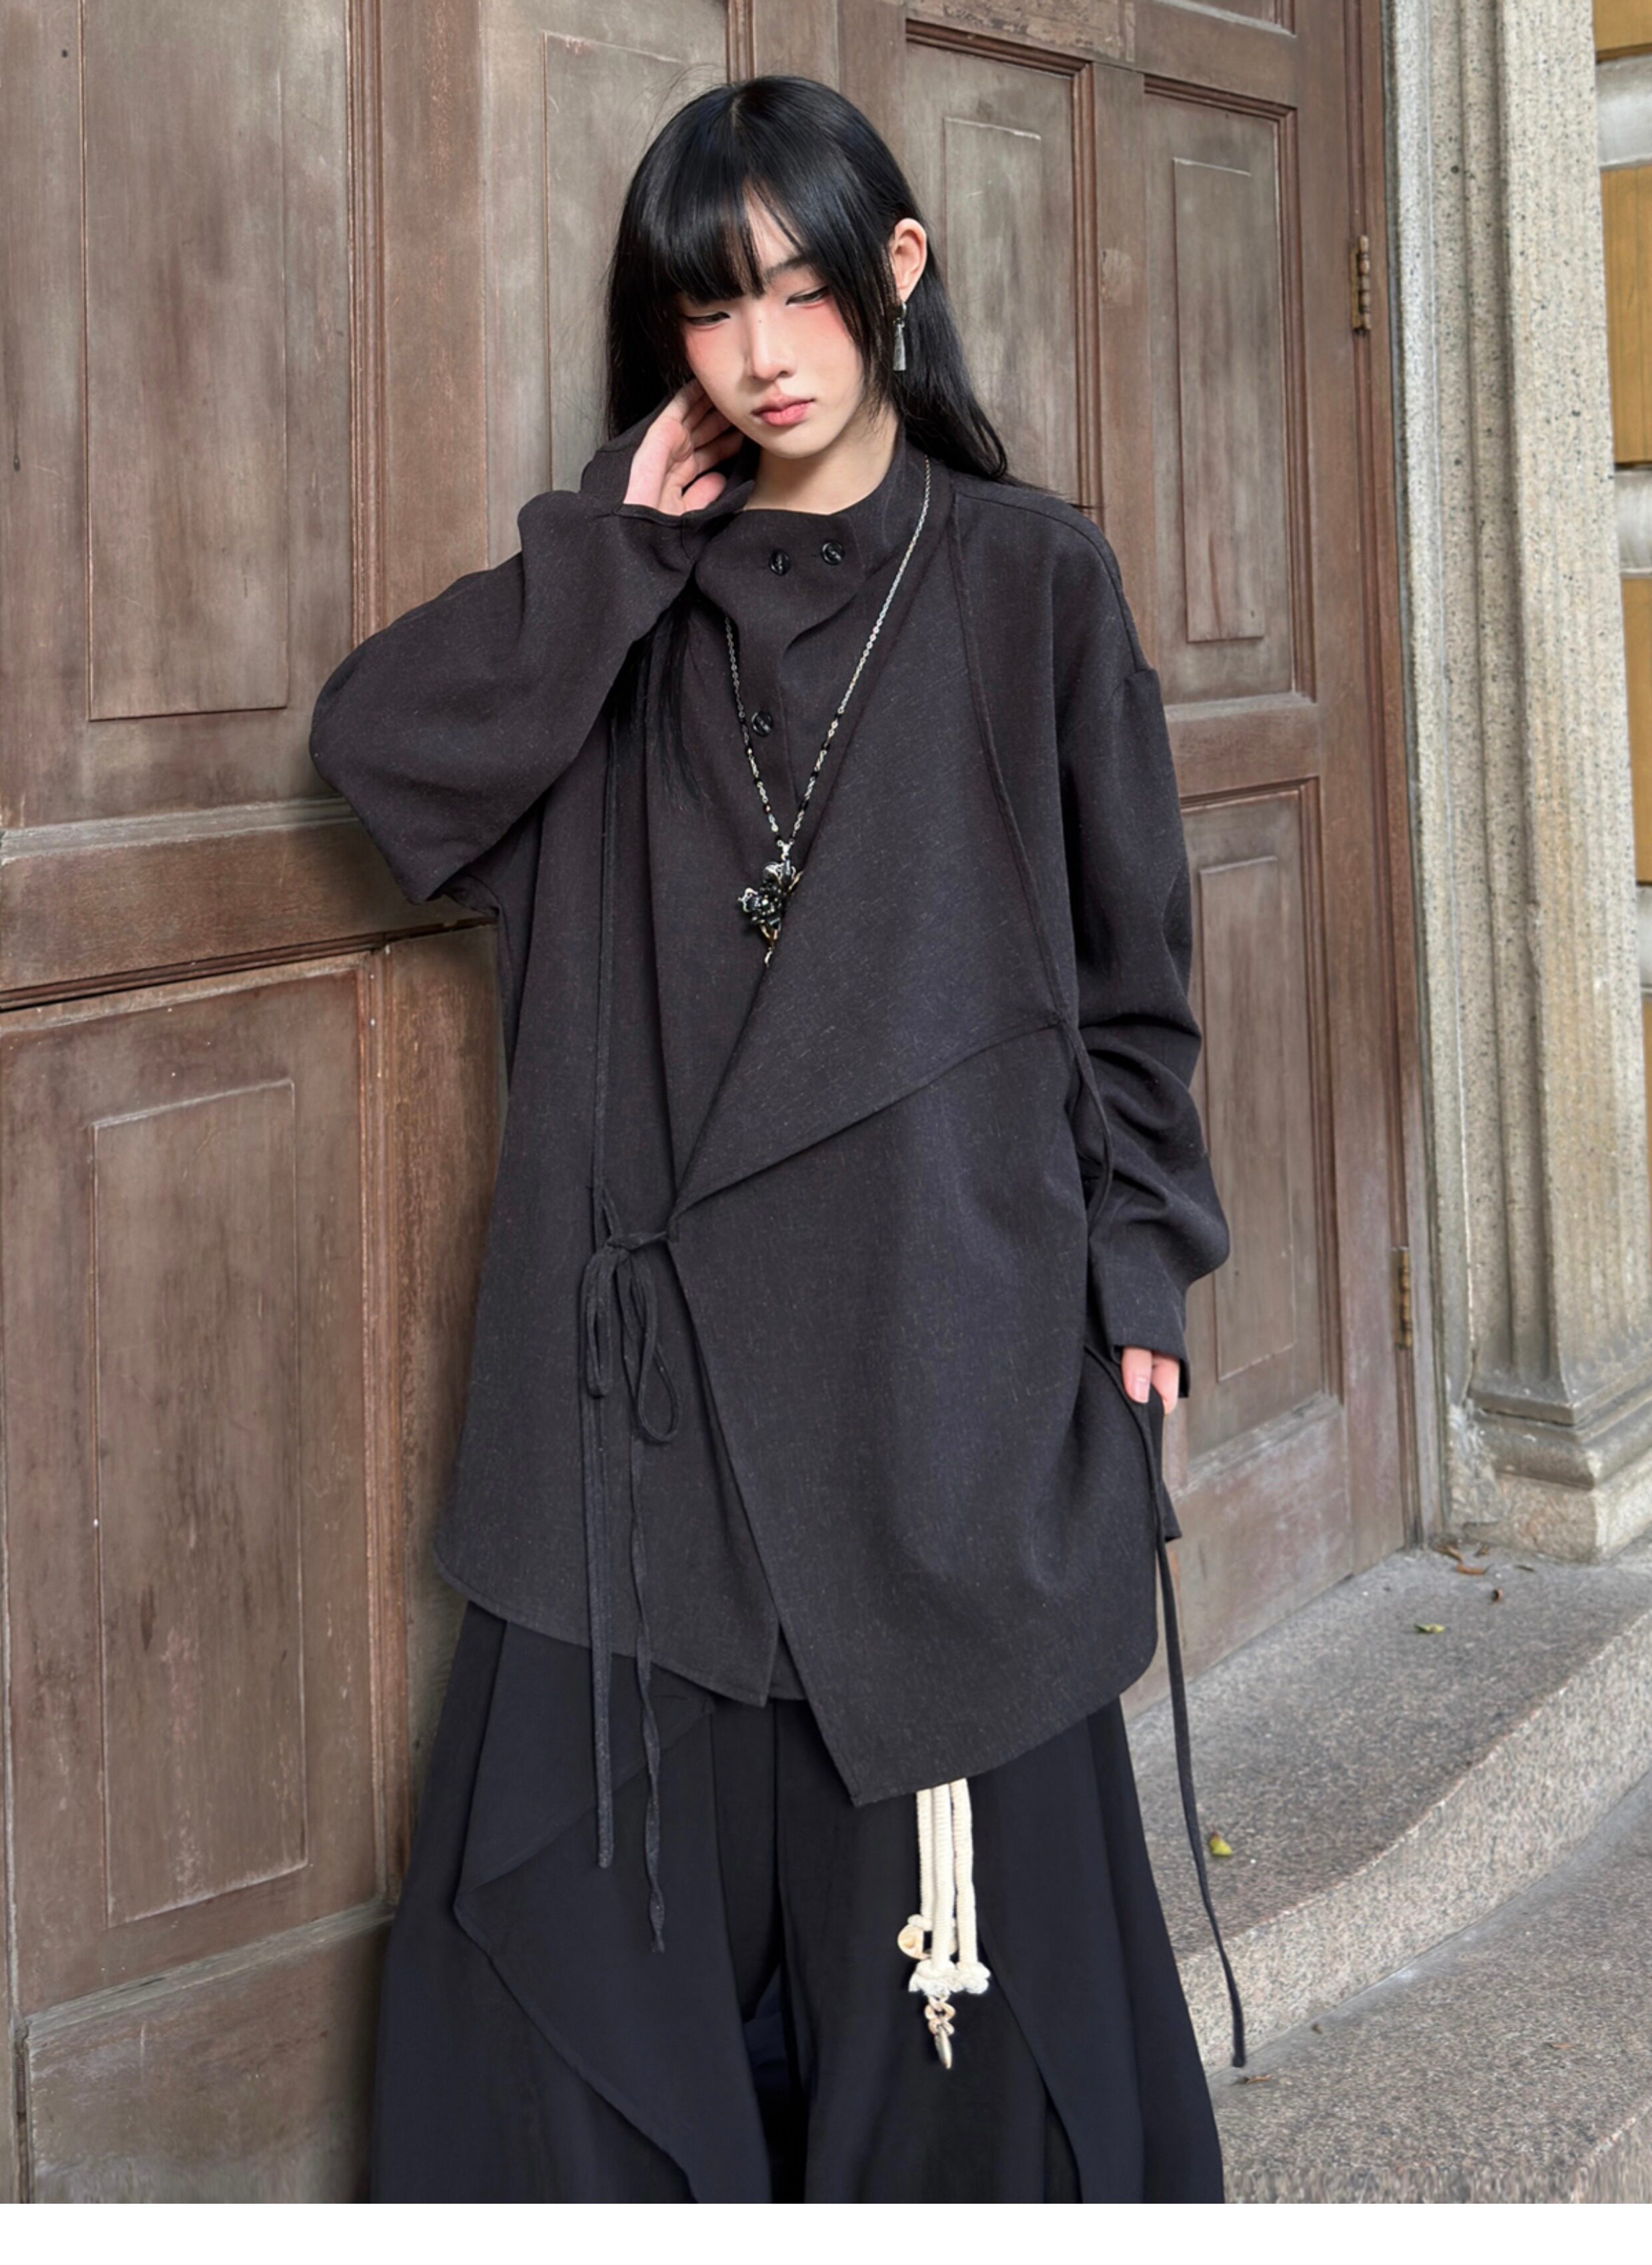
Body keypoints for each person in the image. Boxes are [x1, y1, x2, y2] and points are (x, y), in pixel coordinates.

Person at [310, 74, 1243, 2202]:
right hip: (647, 1420)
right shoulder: (628, 609)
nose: (764, 353)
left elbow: (1135, 984)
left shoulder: (1030, 582)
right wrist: (605, 552)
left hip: (943, 1353)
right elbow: (382, 756)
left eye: (804, 291)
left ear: (897, 270)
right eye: (713, 307)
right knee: (577, 1982)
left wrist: (1142, 1266)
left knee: (960, 1978)